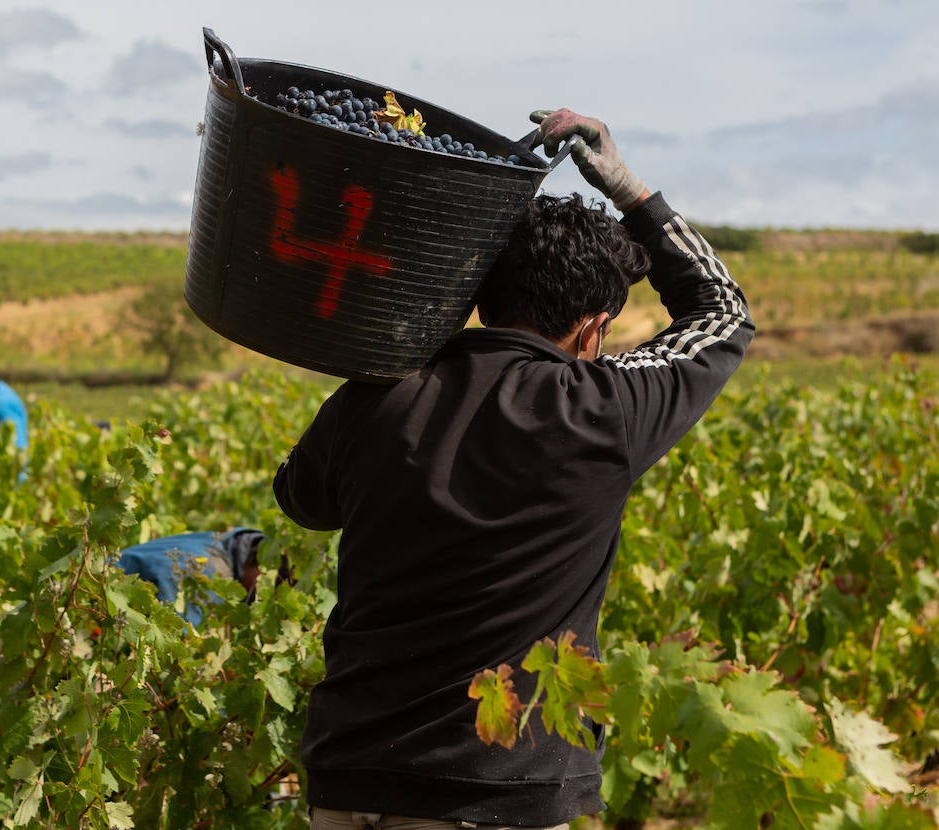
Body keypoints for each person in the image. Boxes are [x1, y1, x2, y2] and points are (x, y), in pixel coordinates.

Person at [273, 108, 754, 829]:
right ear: (593, 329)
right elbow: (722, 310)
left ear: (482, 300)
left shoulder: (378, 394)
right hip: (494, 796)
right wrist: (631, 191)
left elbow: (300, 498)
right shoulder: (603, 410)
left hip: (348, 785)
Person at [115, 527, 268, 628]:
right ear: (263, 566)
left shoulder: (221, 543)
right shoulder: (208, 572)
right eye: (266, 585)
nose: (261, 599)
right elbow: (181, 641)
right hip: (100, 607)